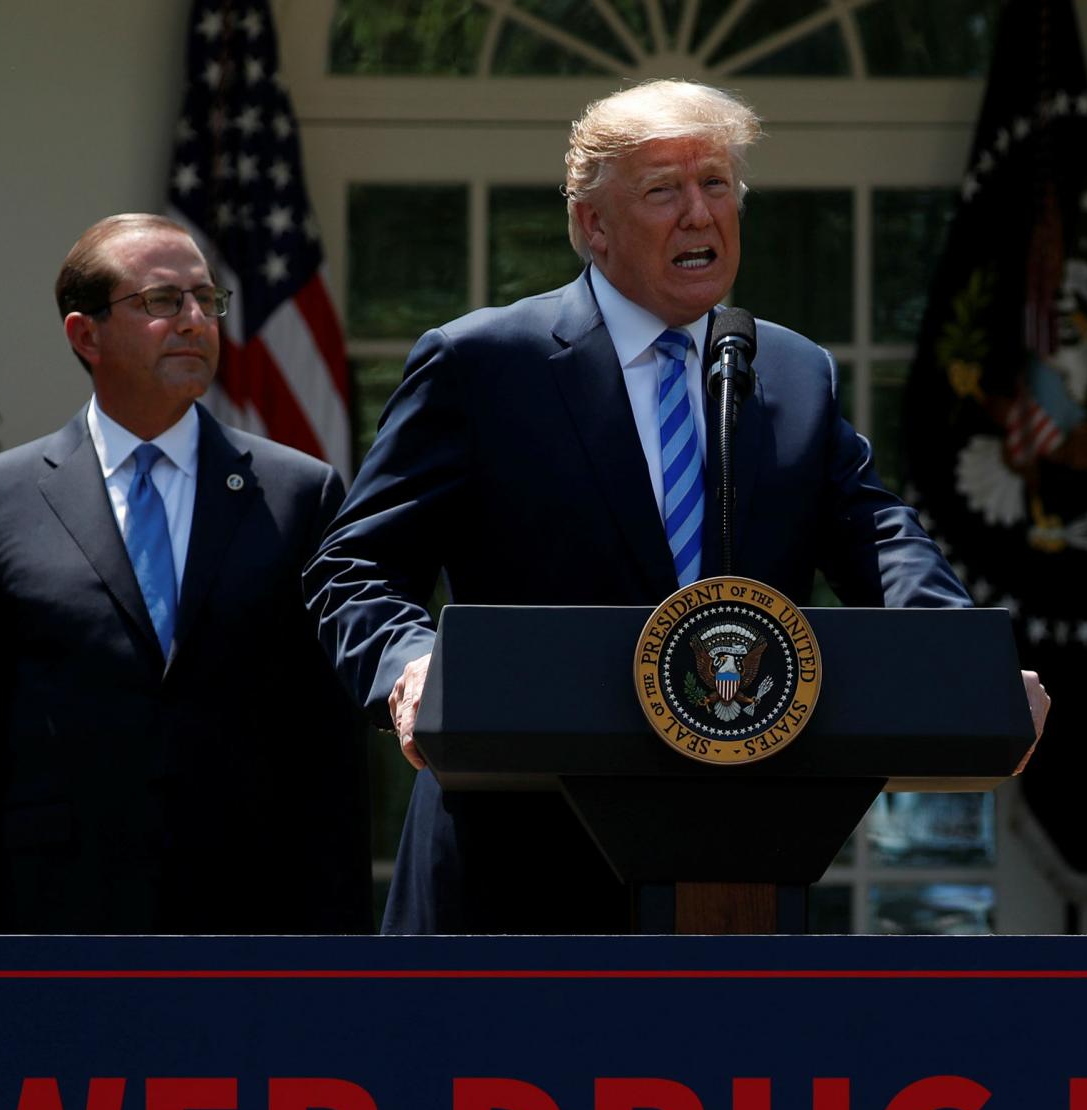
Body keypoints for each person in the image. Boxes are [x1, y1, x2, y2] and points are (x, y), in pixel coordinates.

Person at [307, 82, 1047, 933]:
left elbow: (880, 541)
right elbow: (352, 566)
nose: (701, 214)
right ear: (593, 225)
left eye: (717, 184)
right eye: (664, 190)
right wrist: (410, 664)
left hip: (734, 868)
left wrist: (964, 663)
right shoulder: (484, 364)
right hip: (511, 870)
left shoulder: (790, 371)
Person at [0, 213, 369, 933]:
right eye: (162, 300)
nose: (194, 319)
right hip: (56, 925)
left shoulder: (298, 494)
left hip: (250, 925)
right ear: (85, 335)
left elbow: (328, 751)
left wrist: (341, 954)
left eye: (206, 299)